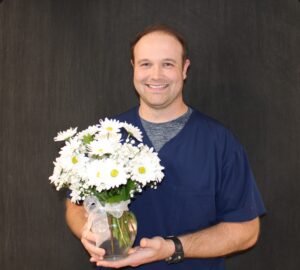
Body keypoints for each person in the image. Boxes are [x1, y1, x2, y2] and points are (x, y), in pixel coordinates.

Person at [65, 25, 266, 269]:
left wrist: (172, 248)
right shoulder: (105, 137)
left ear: (185, 69)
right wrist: (86, 232)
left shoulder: (219, 142)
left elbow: (247, 231)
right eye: (146, 64)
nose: (156, 75)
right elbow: (76, 205)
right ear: (133, 68)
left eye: (168, 64)